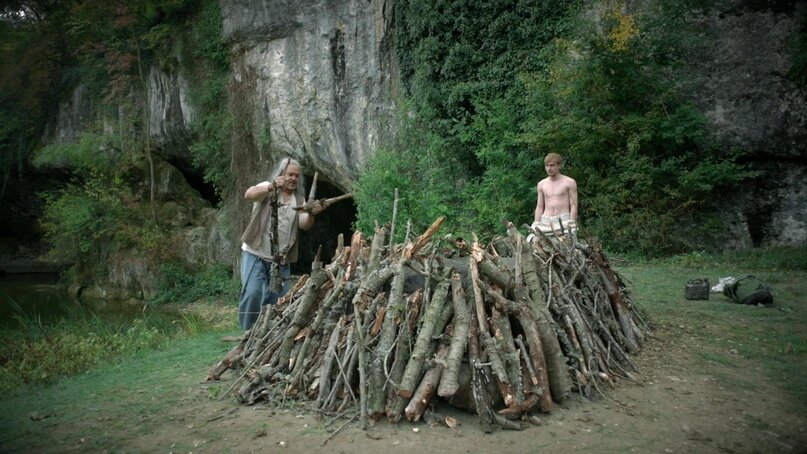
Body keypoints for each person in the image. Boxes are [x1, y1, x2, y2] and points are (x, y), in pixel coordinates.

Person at [238, 157, 322, 330]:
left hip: (280, 260)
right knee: (253, 292)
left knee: (278, 299)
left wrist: (312, 213)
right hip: (255, 253)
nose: (293, 179)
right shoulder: (267, 187)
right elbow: (249, 194)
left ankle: (266, 333)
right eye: (290, 174)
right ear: (281, 174)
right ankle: (246, 333)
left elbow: (304, 224)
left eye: (297, 176)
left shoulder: (299, 200)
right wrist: (271, 186)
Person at [532, 152, 579, 236]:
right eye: (547, 165)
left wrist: (572, 222)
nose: (549, 168)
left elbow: (574, 205)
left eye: (552, 165)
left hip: (563, 221)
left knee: (566, 245)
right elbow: (539, 207)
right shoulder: (541, 184)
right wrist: (536, 223)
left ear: (559, 165)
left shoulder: (569, 182)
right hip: (545, 222)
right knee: (533, 241)